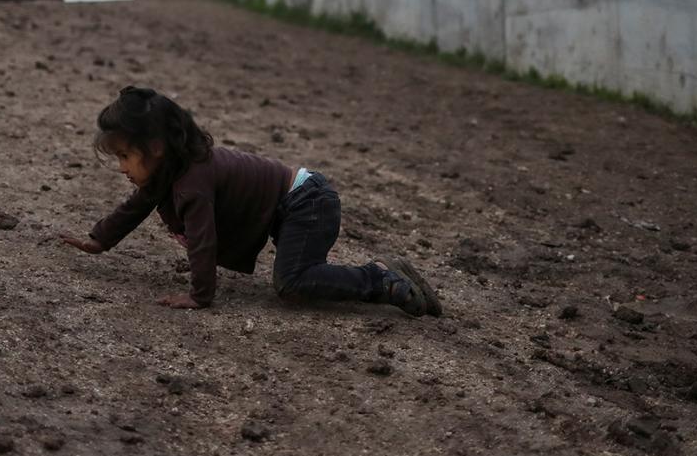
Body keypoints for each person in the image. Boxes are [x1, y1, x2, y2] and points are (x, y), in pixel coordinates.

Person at [59, 85, 442, 317]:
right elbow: (135, 206)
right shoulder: (170, 171)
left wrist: (199, 295)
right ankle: (380, 277)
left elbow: (203, 239)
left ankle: (377, 276)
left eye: (125, 156)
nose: (122, 167)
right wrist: (100, 240)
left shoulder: (192, 182)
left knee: (292, 282)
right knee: (299, 277)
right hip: (294, 205)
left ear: (156, 147)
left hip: (307, 202)